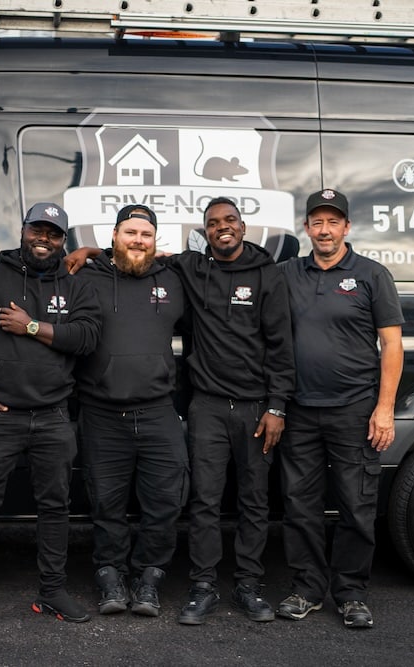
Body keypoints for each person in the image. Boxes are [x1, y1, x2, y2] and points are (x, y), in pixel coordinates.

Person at [67, 195, 294, 625]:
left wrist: (278, 405)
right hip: (196, 405)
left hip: (244, 408)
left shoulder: (253, 274)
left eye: (230, 221)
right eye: (213, 223)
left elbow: (282, 344)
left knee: (243, 502)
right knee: (195, 502)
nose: (222, 227)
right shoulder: (181, 269)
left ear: (243, 227)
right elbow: (130, 256)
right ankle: (186, 584)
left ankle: (237, 585)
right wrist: (88, 251)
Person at [0, 202, 101, 630]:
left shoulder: (77, 286)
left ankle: (52, 591)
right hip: (0, 415)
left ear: (64, 240)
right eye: (37, 230)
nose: (44, 239)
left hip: (53, 416)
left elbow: (86, 338)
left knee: (55, 507)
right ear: (23, 231)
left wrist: (31, 326)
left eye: (54, 233)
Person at [276, 188, 404, 629]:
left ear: (347, 227)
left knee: (355, 505)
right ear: (307, 227)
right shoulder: (287, 274)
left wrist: (384, 408)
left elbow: (391, 344)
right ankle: (307, 589)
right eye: (317, 222)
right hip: (299, 411)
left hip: (354, 409)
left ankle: (350, 593)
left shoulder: (371, 275)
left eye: (333, 222)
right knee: (300, 506)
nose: (325, 230)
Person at [74, 204, 189, 618]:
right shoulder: (87, 277)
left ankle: (149, 579)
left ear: (155, 241)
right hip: (102, 412)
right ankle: (110, 576)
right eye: (130, 232)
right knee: (106, 503)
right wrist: (86, 252)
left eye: (146, 233)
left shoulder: (174, 279)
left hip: (158, 410)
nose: (138, 240)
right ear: (115, 236)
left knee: (164, 503)